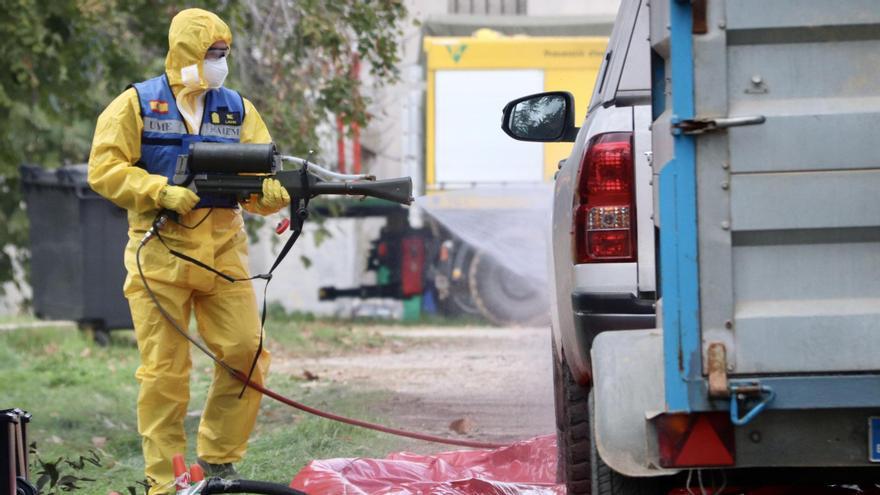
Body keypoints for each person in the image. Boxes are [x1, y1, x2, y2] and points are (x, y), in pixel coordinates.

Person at [88, 9, 287, 494]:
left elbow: (260, 174)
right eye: (211, 54)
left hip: (223, 253)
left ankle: (219, 459)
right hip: (160, 254)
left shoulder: (237, 108)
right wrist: (156, 190)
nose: (219, 63)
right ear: (186, 53)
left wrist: (271, 195)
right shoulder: (135, 104)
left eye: (223, 55)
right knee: (165, 374)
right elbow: (104, 168)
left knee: (247, 351)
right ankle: (167, 478)